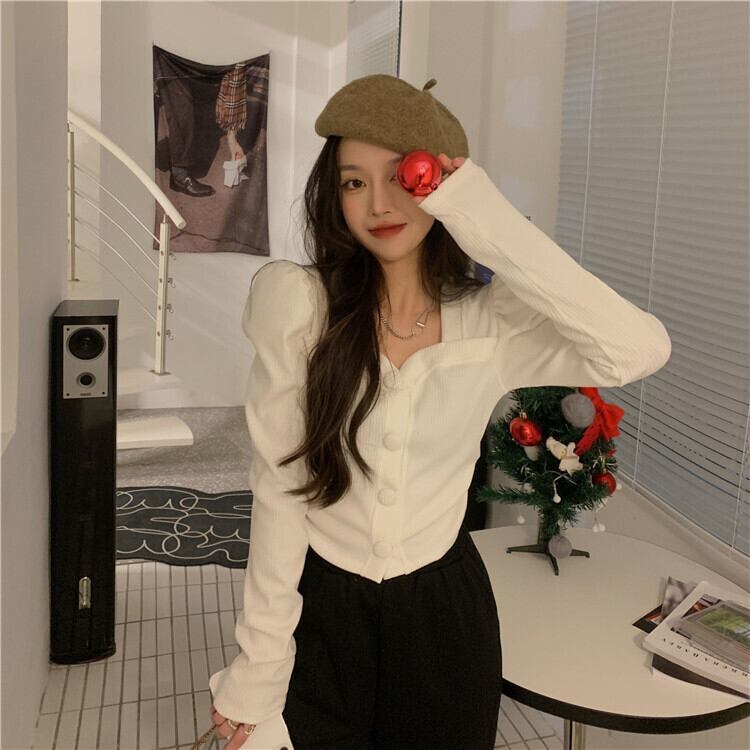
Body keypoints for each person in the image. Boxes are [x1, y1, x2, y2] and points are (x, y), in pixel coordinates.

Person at [204, 74, 672, 750]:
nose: (378, 203)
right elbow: (279, 493)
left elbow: (638, 349)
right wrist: (257, 672)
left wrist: (481, 213)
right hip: (323, 613)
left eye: (404, 176)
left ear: (441, 186)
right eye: (354, 182)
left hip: (444, 620)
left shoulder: (492, 322)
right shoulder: (301, 307)